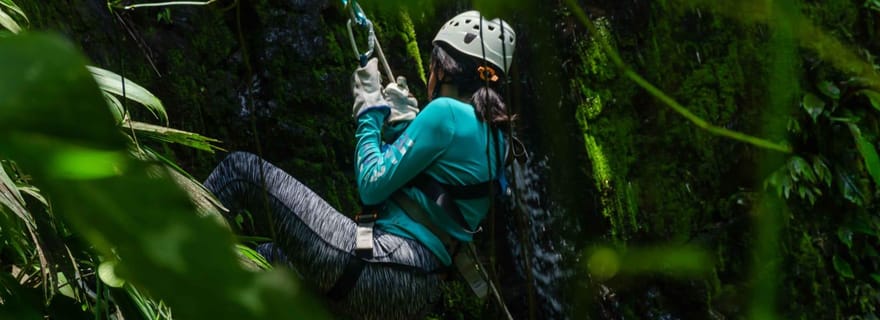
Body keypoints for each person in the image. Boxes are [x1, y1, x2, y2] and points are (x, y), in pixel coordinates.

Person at [203, 10, 515, 319]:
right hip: (413, 292)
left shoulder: (444, 112)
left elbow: (372, 184)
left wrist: (369, 112)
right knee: (268, 260)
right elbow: (428, 186)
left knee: (240, 172)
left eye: (433, 66)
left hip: (379, 267)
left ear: (445, 70)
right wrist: (399, 128)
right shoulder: (499, 139)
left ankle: (163, 262)